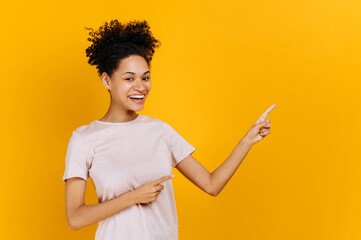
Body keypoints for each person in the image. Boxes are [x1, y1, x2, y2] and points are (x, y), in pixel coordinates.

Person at [63, 19, 276, 240]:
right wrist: (134, 196)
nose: (140, 86)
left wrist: (247, 140)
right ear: (107, 80)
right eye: (129, 78)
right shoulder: (84, 139)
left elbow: (211, 185)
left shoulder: (160, 131)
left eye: (145, 77)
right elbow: (76, 218)